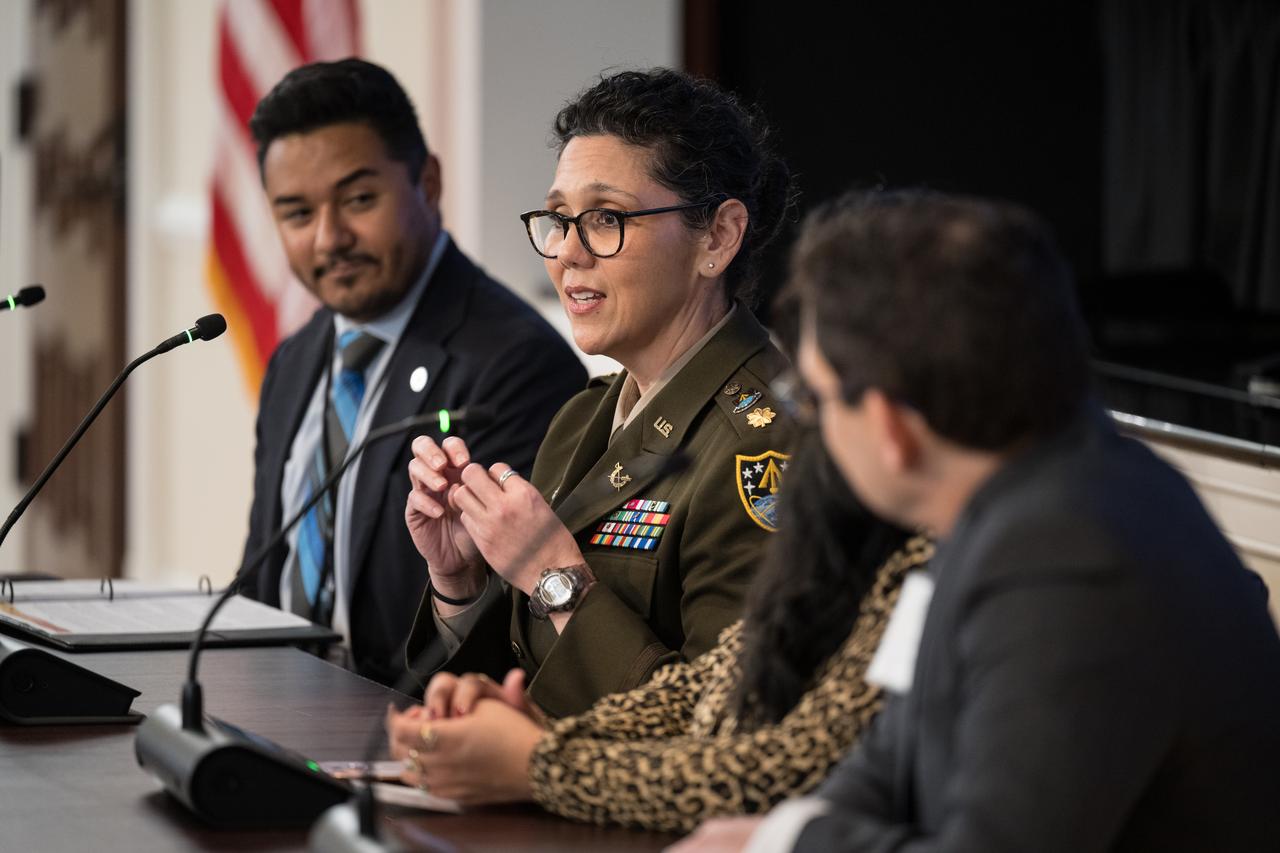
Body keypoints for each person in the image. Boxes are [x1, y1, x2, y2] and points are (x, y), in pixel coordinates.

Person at [675, 189, 1280, 853]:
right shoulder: (1011, 497)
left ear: (891, 429)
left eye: (811, 396)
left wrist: (785, 842)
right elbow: (890, 752)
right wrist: (777, 835)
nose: (807, 420)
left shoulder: (1071, 554)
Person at [399, 68, 797, 718]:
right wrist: (462, 583)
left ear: (718, 237)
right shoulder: (582, 419)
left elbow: (730, 733)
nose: (567, 253)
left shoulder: (765, 441)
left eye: (606, 218)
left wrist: (555, 576)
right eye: (558, 219)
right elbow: (524, 687)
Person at [237, 59, 585, 686]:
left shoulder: (514, 363)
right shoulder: (294, 359)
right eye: (295, 214)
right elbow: (263, 571)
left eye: (359, 200)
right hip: (271, 716)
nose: (327, 239)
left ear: (427, 183)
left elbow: (511, 631)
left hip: (400, 737)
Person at [385, 431, 931, 828]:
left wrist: (542, 761)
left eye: (819, 398)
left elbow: (785, 766)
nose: (808, 425)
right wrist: (538, 730)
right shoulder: (586, 415)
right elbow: (711, 691)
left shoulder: (938, 560)